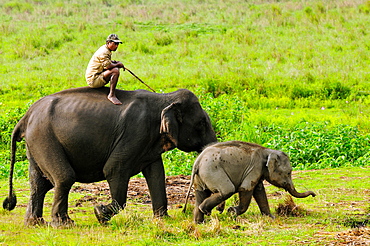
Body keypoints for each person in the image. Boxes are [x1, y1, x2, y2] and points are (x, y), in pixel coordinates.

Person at [85, 34, 125, 105]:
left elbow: (106, 63)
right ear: (108, 42)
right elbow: (108, 66)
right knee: (115, 71)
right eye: (115, 44)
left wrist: (114, 62)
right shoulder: (104, 52)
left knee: (114, 67)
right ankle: (111, 95)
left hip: (97, 74)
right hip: (93, 79)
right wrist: (118, 64)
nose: (117, 46)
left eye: (117, 44)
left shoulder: (106, 49)